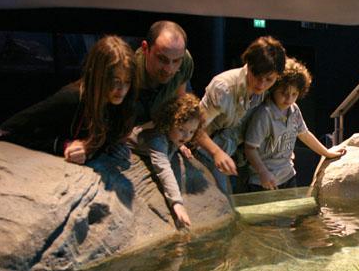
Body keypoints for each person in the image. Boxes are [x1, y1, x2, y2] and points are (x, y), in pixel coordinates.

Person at [0, 35, 136, 163]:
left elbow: (108, 134)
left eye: (127, 81)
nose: (122, 89)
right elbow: (8, 129)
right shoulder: (71, 98)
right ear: (98, 76)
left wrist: (111, 145)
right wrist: (62, 145)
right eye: (115, 80)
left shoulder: (120, 103)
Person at [134, 20, 235, 179]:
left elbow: (181, 113)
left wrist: (215, 151)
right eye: (162, 59)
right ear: (146, 48)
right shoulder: (130, 71)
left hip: (162, 135)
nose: (169, 69)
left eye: (176, 61)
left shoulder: (186, 62)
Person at [196, 36, 286, 195]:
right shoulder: (223, 89)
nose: (262, 85)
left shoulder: (268, 90)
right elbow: (195, 129)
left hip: (237, 155)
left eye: (269, 80)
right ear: (248, 66)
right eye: (257, 77)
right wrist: (217, 153)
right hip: (207, 151)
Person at [244, 58, 345, 191]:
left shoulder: (294, 109)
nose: (289, 99)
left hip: (288, 176)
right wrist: (263, 173)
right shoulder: (264, 114)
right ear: (273, 88)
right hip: (264, 181)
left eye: (294, 94)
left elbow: (304, 134)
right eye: (284, 94)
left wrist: (326, 153)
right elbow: (250, 148)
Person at [128, 94, 204, 229]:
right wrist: (177, 203)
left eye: (192, 131)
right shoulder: (157, 139)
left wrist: (180, 145)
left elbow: (177, 137)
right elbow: (163, 168)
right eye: (181, 130)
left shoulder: (174, 135)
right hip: (126, 143)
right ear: (168, 123)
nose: (186, 136)